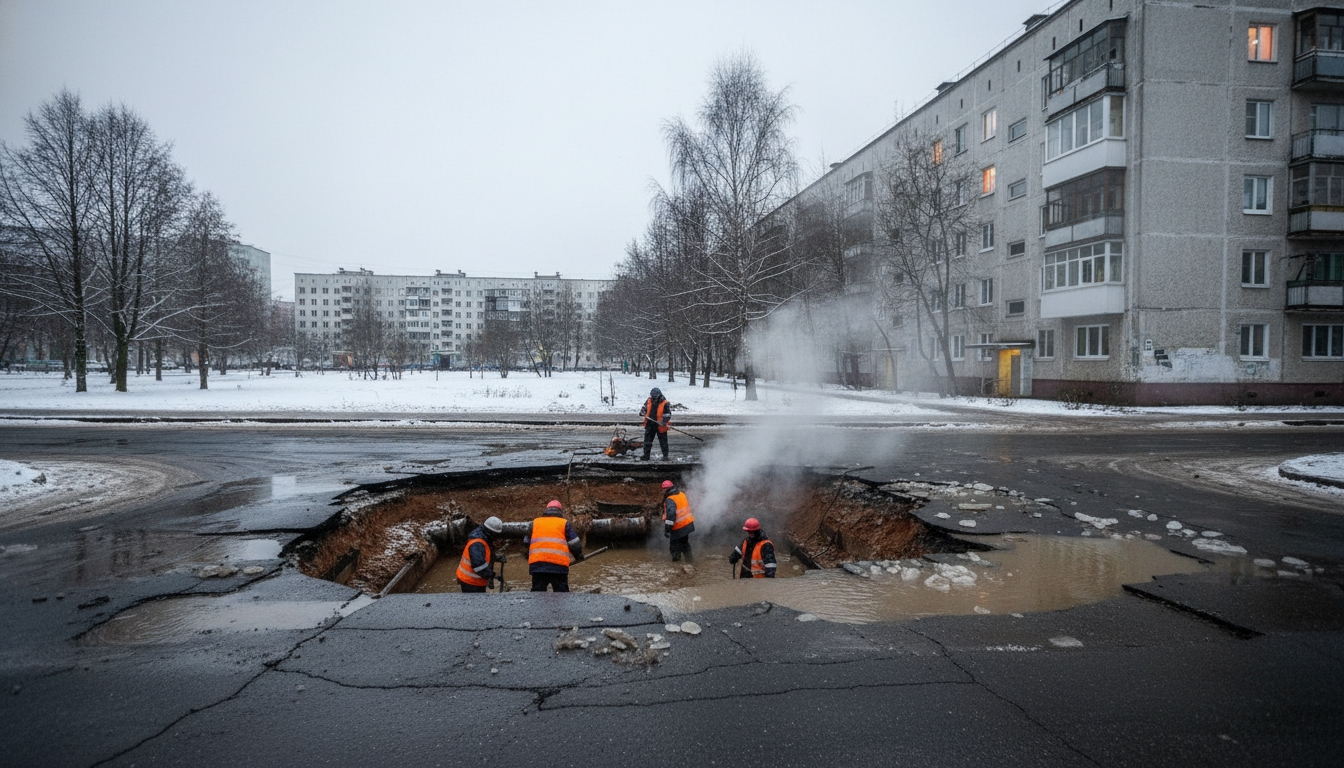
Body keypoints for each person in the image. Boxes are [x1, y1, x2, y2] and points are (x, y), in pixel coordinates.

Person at [525, 499, 582, 592]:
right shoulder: (563, 523)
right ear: (560, 511)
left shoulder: (534, 523)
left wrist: (531, 558)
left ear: (546, 510)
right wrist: (578, 555)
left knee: (537, 594)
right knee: (562, 595)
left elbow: (526, 542)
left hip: (538, 567)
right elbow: (574, 544)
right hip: (558, 567)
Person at [455, 516, 504, 593]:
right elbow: (478, 564)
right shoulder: (477, 543)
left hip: (472, 581)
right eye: (495, 534)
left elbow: (483, 555)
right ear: (490, 532)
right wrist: (491, 575)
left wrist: (495, 557)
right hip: (471, 582)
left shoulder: (483, 538)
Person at [661, 479, 695, 561]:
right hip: (687, 524)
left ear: (666, 490)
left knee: (674, 547)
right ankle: (690, 561)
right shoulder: (681, 494)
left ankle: (676, 565)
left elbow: (671, 515)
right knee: (685, 544)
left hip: (678, 527)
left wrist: (667, 530)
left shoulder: (670, 499)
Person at [639, 387, 671, 461]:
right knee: (647, 441)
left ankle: (665, 456)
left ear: (659, 395)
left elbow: (668, 414)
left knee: (663, 442)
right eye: (652, 396)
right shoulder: (649, 400)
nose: (653, 398)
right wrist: (642, 412)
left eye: (655, 396)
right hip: (650, 424)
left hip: (660, 425)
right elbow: (644, 409)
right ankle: (646, 455)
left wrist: (663, 421)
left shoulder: (665, 402)